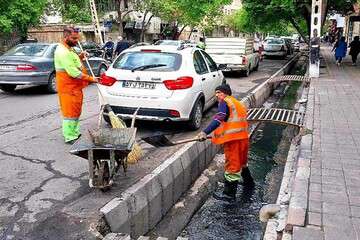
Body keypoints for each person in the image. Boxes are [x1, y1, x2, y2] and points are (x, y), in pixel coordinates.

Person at [197, 84, 254, 201]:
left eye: (218, 92)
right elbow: (232, 122)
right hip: (243, 138)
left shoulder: (225, 102)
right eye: (216, 93)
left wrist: (205, 132)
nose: (216, 95)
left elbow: (220, 117)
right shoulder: (237, 103)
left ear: (225, 93)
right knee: (242, 162)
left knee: (232, 166)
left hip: (233, 140)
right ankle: (249, 183)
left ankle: (229, 195)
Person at [54, 27, 98, 144]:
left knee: (76, 111)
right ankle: (70, 136)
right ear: (65, 37)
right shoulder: (62, 51)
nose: (76, 41)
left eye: (77, 38)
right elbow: (73, 72)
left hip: (75, 88)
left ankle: (74, 132)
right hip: (68, 88)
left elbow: (73, 62)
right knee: (70, 113)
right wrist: (91, 79)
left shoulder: (69, 49)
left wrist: (81, 56)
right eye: (74, 38)